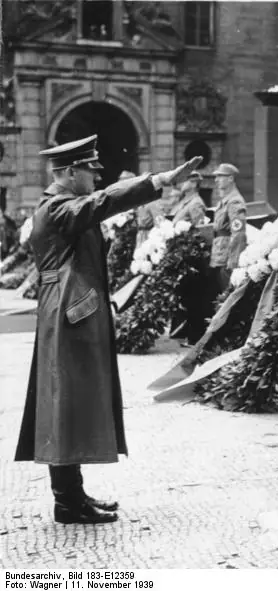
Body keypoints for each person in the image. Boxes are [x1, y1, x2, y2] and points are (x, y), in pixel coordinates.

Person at [14, 135, 201, 524]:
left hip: (67, 312)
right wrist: (159, 180)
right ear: (70, 173)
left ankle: (73, 494)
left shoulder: (59, 206)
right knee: (65, 402)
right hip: (68, 314)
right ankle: (67, 503)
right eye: (90, 170)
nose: (96, 178)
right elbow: (102, 202)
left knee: (71, 402)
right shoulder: (60, 207)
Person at [169, 170, 210, 345]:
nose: (181, 184)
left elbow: (200, 231)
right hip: (182, 255)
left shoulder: (196, 203)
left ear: (193, 183)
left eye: (184, 180)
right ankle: (189, 334)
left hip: (191, 257)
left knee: (193, 298)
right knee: (186, 297)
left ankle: (195, 336)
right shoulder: (185, 202)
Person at [209, 163, 247, 295]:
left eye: (220, 176)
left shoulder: (234, 201)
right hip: (220, 254)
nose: (216, 180)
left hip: (228, 257)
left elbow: (239, 233)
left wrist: (234, 260)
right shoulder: (225, 200)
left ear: (230, 178)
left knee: (228, 293)